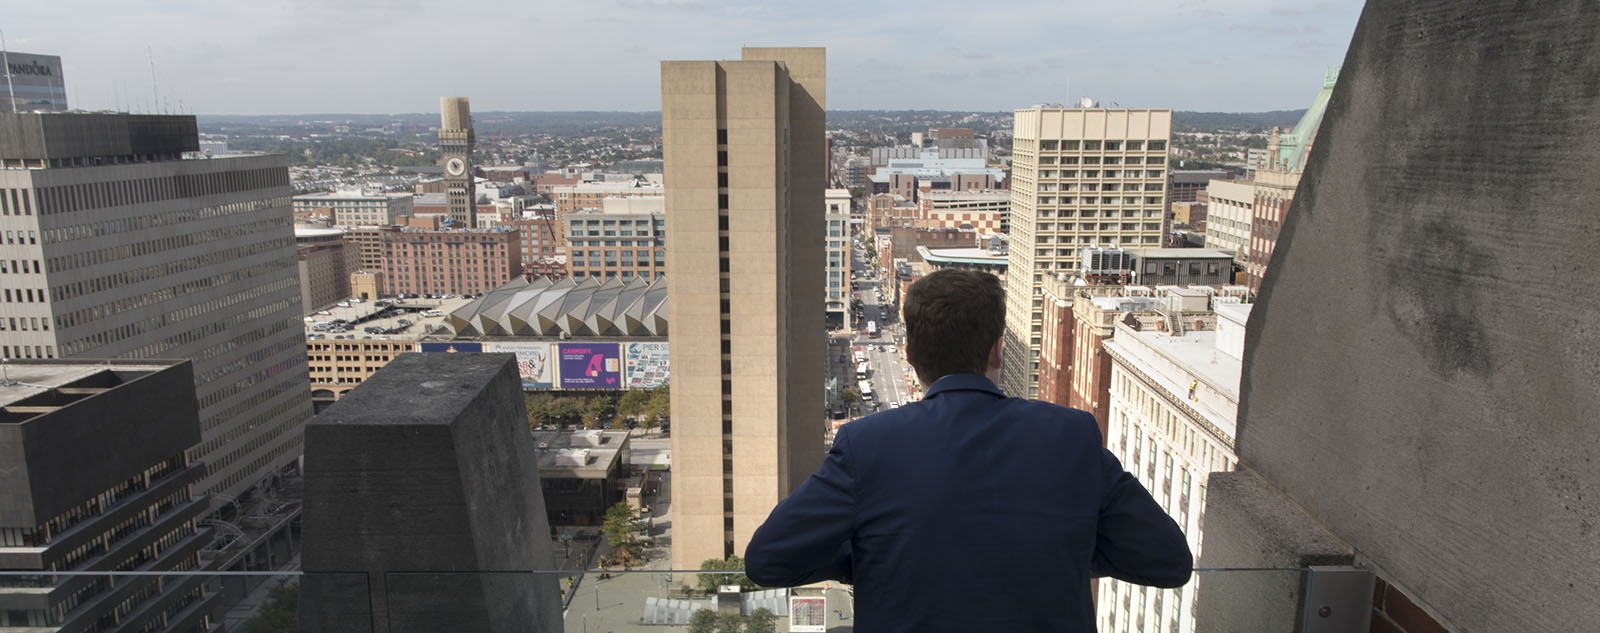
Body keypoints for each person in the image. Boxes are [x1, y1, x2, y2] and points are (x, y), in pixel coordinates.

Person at [745, 269, 1192, 632]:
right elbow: (1168, 560)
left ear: (911, 354)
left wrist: (875, 556)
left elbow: (768, 560)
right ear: (998, 350)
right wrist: (1058, 551)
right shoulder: (1071, 435)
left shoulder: (867, 445)